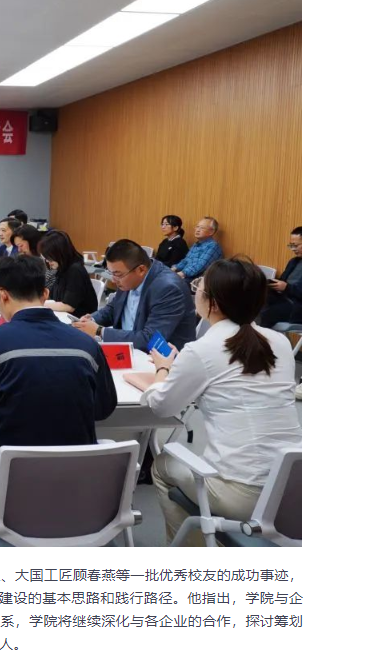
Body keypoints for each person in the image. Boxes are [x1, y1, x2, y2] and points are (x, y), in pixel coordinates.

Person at [0, 255, 117, 517]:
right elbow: (103, 408)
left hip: (7, 498)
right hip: (77, 493)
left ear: (2, 295)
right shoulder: (86, 345)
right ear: (45, 294)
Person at [140, 258, 301, 544]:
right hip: (294, 487)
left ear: (212, 303)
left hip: (244, 494)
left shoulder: (201, 350)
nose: (194, 294)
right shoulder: (279, 342)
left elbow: (163, 408)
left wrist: (162, 370)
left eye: (197, 288)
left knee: (163, 464)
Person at [73, 239, 196, 351]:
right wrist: (91, 320)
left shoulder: (168, 288)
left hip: (159, 359)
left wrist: (99, 331)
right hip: (130, 349)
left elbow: (150, 339)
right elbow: (114, 308)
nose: (114, 280)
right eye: (111, 273)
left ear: (141, 270)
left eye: (117, 274)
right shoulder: (128, 276)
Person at [40, 229, 98, 317]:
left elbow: (69, 306)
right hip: (66, 316)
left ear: (59, 253)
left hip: (79, 319)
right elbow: (53, 295)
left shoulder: (75, 270)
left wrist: (40, 304)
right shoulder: (62, 268)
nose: (47, 261)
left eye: (49, 257)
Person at [259, 227, 302, 327]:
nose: (293, 249)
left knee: (266, 314)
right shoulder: (293, 261)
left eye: (296, 245)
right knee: (253, 302)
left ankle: (258, 336)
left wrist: (286, 287)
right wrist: (273, 283)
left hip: (298, 307)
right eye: (291, 245)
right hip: (284, 299)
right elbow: (282, 281)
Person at [171, 217, 223, 282]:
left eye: (202, 228)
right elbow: (185, 261)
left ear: (211, 232)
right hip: (187, 276)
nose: (198, 230)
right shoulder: (196, 244)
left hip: (198, 280)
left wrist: (180, 274)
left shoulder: (213, 246)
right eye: (197, 227)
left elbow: (200, 266)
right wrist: (174, 268)